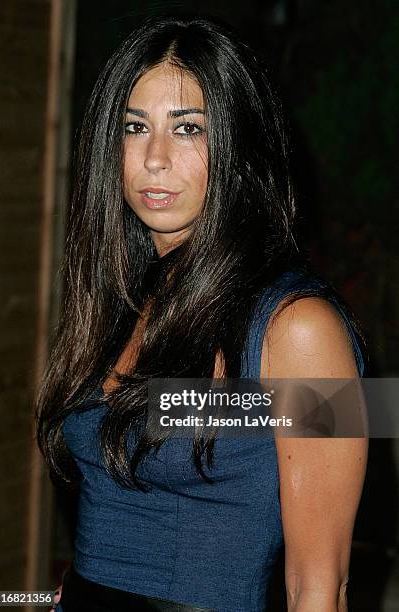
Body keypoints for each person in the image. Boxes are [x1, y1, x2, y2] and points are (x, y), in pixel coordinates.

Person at [37, 12, 368, 612]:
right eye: (135, 127)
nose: (155, 158)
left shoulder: (301, 330)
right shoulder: (124, 301)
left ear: (239, 147)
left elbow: (319, 586)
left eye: (188, 128)